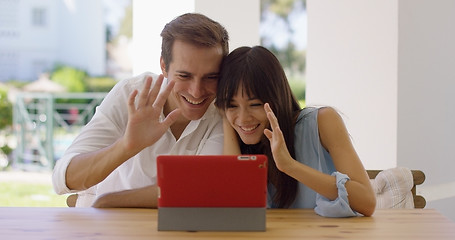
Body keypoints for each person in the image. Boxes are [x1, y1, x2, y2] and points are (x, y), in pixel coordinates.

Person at [52, 13, 229, 207]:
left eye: (211, 77)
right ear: (164, 66)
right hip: (104, 226)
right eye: (184, 76)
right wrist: (126, 146)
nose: (196, 91)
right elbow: (62, 180)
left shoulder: (222, 111)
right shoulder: (131, 93)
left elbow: (200, 188)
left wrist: (108, 201)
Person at [215, 46, 376, 217]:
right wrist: (227, 117)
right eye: (232, 105)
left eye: (254, 104)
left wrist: (289, 166)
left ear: (276, 97)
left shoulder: (322, 121)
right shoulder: (238, 139)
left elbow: (367, 202)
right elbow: (234, 209)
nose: (243, 118)